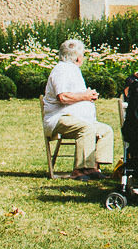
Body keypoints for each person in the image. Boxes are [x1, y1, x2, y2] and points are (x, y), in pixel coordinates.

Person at [42, 39, 113, 178]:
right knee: (86, 128)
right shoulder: (61, 70)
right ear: (78, 58)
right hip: (59, 119)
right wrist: (85, 96)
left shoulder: (73, 70)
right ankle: (80, 169)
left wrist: (89, 95)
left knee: (105, 130)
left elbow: (76, 94)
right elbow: (63, 97)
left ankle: (94, 168)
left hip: (75, 118)